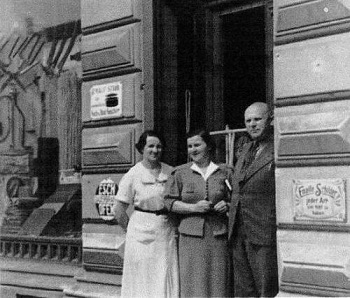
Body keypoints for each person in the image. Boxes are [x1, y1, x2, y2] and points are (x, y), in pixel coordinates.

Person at [164, 129, 233, 297]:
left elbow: (238, 199)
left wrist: (228, 205)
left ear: (208, 146)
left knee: (218, 281)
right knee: (192, 282)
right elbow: (169, 202)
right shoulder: (179, 173)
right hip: (190, 238)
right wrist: (193, 208)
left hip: (217, 236)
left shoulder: (225, 171)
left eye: (197, 145)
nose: (193, 150)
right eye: (189, 146)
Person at [113, 130, 179, 298]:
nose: (155, 150)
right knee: (142, 277)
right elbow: (119, 210)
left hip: (165, 230)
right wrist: (132, 232)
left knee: (164, 273)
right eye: (150, 146)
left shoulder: (170, 172)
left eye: (159, 147)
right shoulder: (133, 174)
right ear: (142, 148)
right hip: (140, 234)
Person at [228, 102, 279, 297]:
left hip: (263, 230)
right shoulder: (245, 149)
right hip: (238, 230)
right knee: (243, 290)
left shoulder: (277, 147)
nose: (252, 124)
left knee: (265, 289)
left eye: (258, 119)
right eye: (248, 120)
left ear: (270, 119)